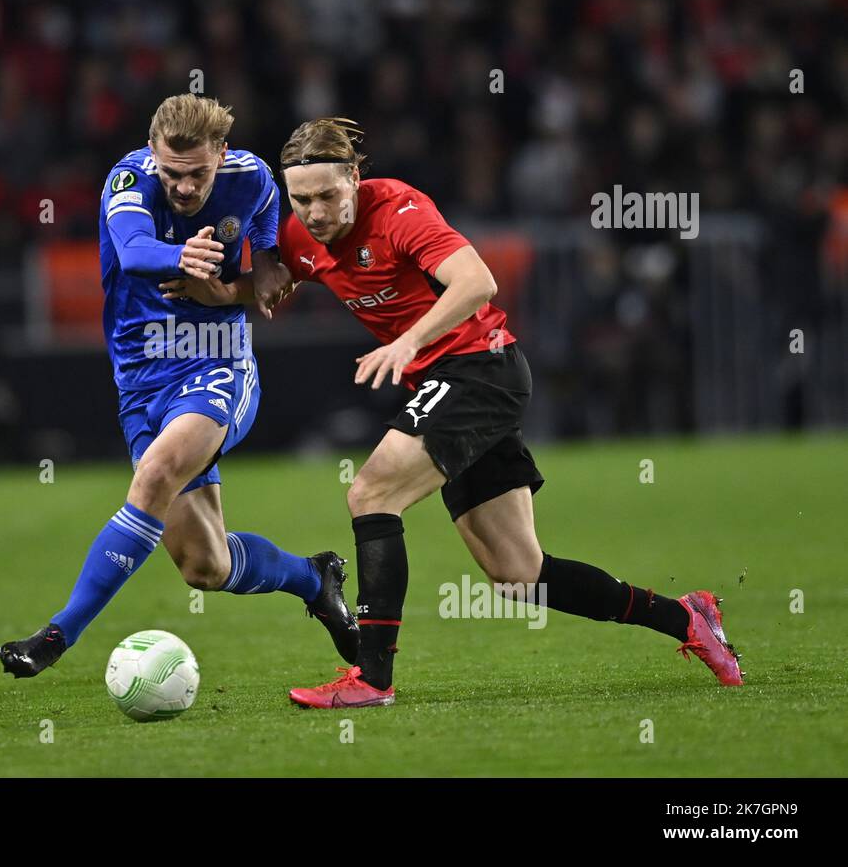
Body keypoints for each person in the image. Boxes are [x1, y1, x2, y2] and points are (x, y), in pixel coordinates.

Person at [163, 117, 742, 708]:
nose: (313, 210)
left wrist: (408, 341)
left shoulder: (398, 210)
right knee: (519, 573)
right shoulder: (300, 235)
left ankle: (371, 679)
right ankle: (687, 618)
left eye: (327, 195)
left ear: (355, 179)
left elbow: (476, 281)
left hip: (479, 371)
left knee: (370, 493)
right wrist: (201, 282)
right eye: (301, 198)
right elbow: (265, 285)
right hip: (451, 384)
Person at [0, 95, 357, 678]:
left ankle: (59, 634)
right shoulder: (128, 179)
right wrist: (181, 254)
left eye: (196, 174)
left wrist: (265, 260)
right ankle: (313, 579)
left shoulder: (251, 175)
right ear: (152, 153)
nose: (183, 188)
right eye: (171, 172)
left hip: (218, 367)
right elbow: (135, 252)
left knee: (156, 474)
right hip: (142, 381)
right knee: (204, 566)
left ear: (222, 153)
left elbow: (265, 212)